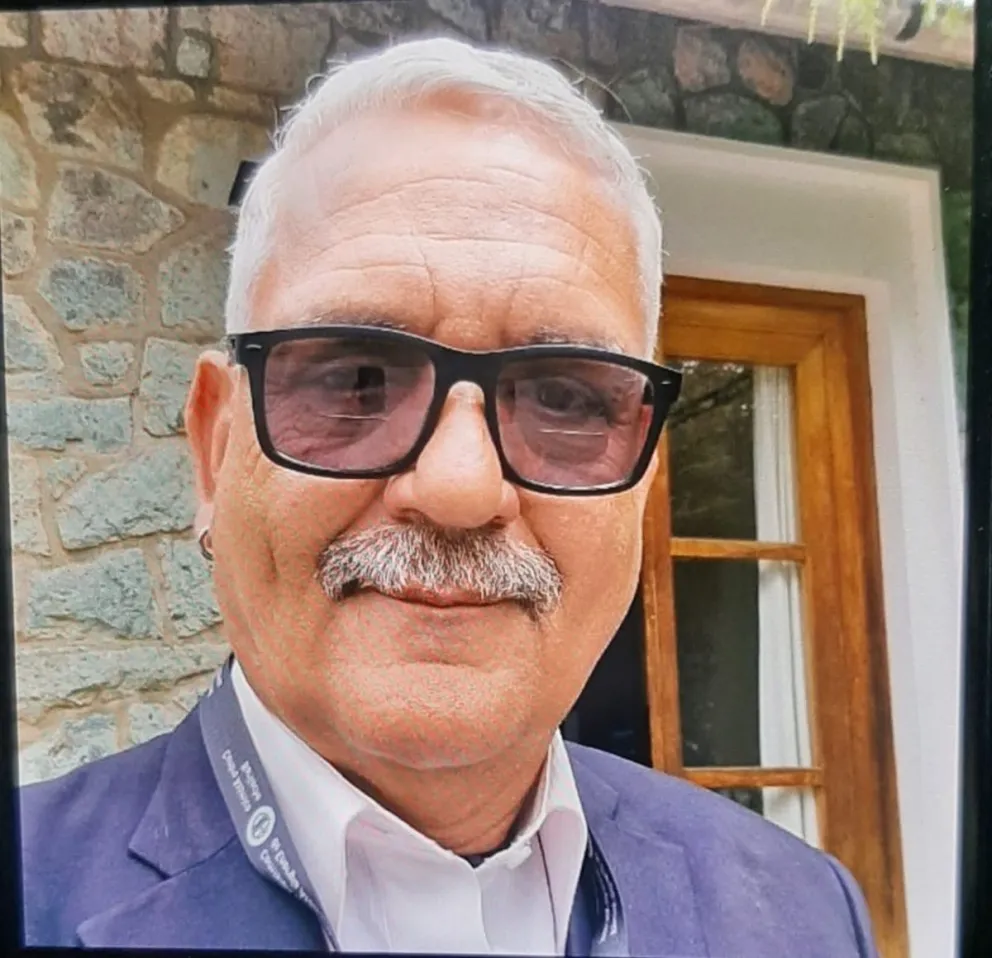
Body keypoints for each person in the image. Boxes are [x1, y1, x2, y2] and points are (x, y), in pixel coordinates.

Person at [18, 36, 878, 956]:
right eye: (357, 378)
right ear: (215, 451)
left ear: (642, 479)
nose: (460, 487)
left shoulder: (804, 914)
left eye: (564, 398)